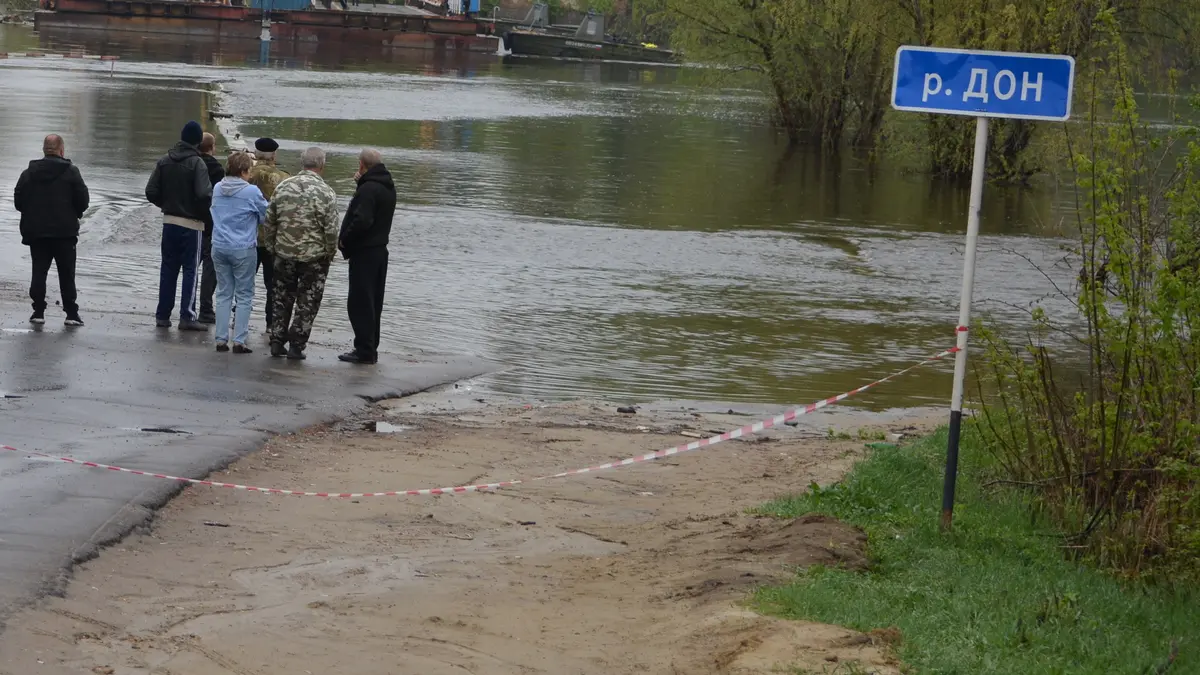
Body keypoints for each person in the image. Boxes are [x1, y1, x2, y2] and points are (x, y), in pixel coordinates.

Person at [263, 147, 339, 360]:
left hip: (283, 253)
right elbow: (331, 229)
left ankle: (277, 341)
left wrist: (272, 247)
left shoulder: (283, 187)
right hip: (314, 257)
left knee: (281, 297)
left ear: (301, 163)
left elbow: (269, 221)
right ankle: (297, 345)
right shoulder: (326, 192)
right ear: (322, 165)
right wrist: (330, 252)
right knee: (308, 301)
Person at [14, 134, 89, 327]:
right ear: (61, 150)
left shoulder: (28, 173)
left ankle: (38, 311)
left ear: (44, 150)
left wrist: (31, 214)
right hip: (65, 233)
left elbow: (18, 200)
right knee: (66, 273)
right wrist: (75, 213)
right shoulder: (72, 172)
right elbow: (83, 200)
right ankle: (71, 314)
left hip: (37, 232)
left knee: (39, 271)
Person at [145, 121, 213, 331]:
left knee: (168, 269)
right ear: (198, 141)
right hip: (192, 225)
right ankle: (187, 316)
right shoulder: (198, 163)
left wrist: (166, 205)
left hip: (169, 222)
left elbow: (151, 191)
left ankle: (163, 315)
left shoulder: (164, 161)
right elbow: (204, 194)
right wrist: (202, 214)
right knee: (191, 270)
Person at [338, 148, 395, 365]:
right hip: (380, 251)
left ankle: (364, 350)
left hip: (365, 252)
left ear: (362, 165)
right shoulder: (386, 186)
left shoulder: (369, 189)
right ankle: (370, 347)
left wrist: (345, 240)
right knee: (374, 301)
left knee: (360, 302)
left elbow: (362, 220)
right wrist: (360, 184)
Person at [209, 152, 268, 354]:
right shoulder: (251, 191)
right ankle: (240, 340)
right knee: (244, 295)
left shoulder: (217, 188)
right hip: (243, 248)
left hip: (219, 245)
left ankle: (220, 339)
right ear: (243, 171)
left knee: (224, 293)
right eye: (249, 170)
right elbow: (265, 215)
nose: (250, 174)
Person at [247, 137, 289, 330]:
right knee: (273, 285)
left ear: (255, 154)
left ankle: (240, 318)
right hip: (274, 240)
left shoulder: (246, 174)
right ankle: (271, 324)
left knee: (245, 282)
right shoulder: (284, 178)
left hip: (249, 238)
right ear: (274, 155)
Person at [197, 132, 226, 324]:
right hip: (209, 223)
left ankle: (184, 307)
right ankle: (206, 308)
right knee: (210, 267)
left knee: (189, 268)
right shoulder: (217, 169)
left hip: (187, 221)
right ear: (212, 147)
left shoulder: (187, 163)